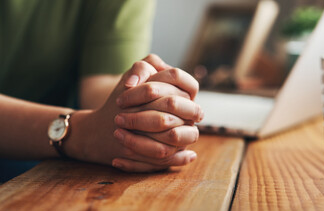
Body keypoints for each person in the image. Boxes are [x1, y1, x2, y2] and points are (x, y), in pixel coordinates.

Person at [0, 0, 203, 177]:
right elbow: (92, 131)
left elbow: (102, 85)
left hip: (45, 169)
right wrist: (80, 133)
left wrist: (146, 112)